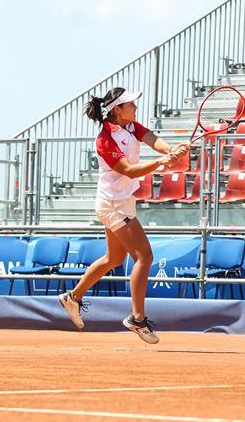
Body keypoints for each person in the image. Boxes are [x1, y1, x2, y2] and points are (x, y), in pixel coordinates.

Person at [58, 87, 189, 344]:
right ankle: (137, 318)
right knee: (144, 256)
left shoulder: (131, 127)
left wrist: (171, 150)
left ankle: (72, 297)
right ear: (117, 109)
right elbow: (128, 170)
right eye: (130, 104)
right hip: (113, 204)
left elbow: (151, 138)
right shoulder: (105, 140)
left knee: (114, 258)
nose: (135, 107)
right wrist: (162, 162)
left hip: (123, 201)